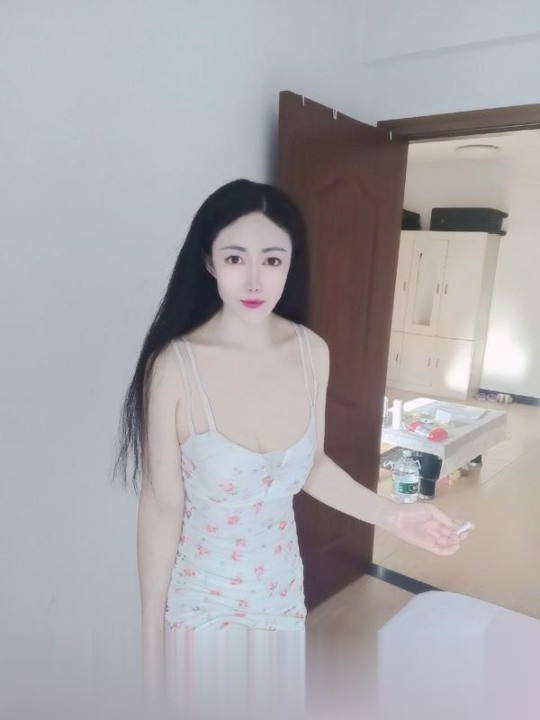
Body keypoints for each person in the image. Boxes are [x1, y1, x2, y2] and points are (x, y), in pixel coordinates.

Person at [114, 178, 470, 637]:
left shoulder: (311, 352)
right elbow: (162, 505)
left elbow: (312, 467)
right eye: (235, 258)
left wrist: (395, 517)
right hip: (201, 606)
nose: (254, 281)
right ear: (209, 261)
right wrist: (150, 638)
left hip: (282, 599)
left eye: (272, 260)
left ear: (290, 264)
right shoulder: (174, 368)